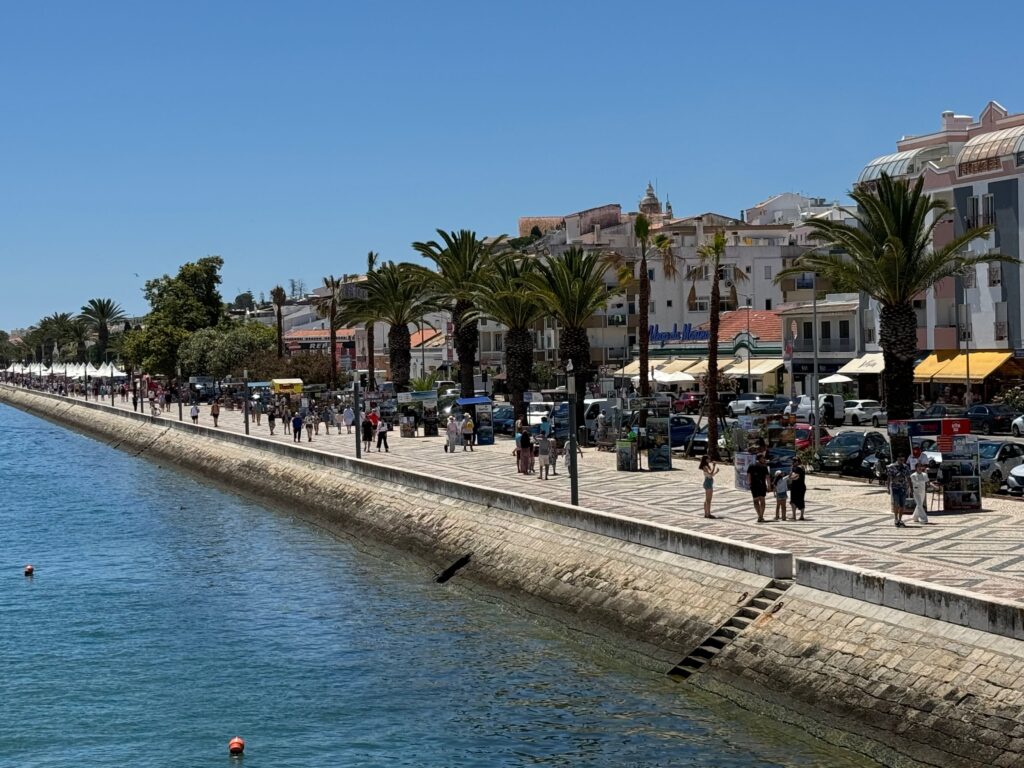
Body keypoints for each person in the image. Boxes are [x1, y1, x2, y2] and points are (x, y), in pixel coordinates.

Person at [888, 454, 912, 528]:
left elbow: (908, 477)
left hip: (903, 487)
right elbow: (889, 478)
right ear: (897, 459)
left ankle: (900, 519)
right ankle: (896, 519)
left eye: (903, 460)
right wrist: (888, 487)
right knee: (896, 504)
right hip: (895, 487)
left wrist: (911, 487)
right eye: (900, 460)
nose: (902, 461)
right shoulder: (892, 467)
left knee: (902, 504)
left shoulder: (905, 467)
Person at [747, 453, 769, 523]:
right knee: (762, 500)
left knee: (756, 500)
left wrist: (749, 484)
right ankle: (761, 516)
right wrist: (769, 486)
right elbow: (767, 477)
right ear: (759, 459)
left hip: (754, 485)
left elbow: (748, 476)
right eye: (763, 458)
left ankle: (759, 515)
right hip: (762, 485)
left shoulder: (751, 466)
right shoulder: (764, 467)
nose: (764, 459)